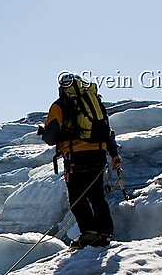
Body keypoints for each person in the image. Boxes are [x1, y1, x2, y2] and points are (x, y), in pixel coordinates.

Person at [40, 72, 122, 248]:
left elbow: (50, 137)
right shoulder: (95, 103)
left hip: (76, 156)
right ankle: (105, 234)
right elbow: (107, 130)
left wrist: (44, 132)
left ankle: (89, 234)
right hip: (99, 155)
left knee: (77, 198)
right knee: (97, 196)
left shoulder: (61, 105)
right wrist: (114, 153)